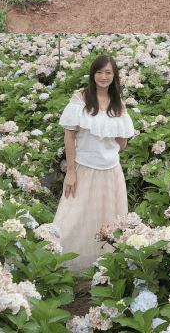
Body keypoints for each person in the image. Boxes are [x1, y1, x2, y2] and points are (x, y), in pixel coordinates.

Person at [52, 55, 134, 274]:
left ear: (114, 76)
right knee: (72, 216)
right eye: (99, 72)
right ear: (93, 74)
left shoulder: (119, 105)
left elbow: (123, 141)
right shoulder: (80, 99)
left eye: (108, 72)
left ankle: (105, 268)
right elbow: (69, 137)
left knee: (108, 220)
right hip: (83, 169)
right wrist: (71, 172)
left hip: (111, 172)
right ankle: (60, 263)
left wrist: (106, 153)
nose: (103, 77)